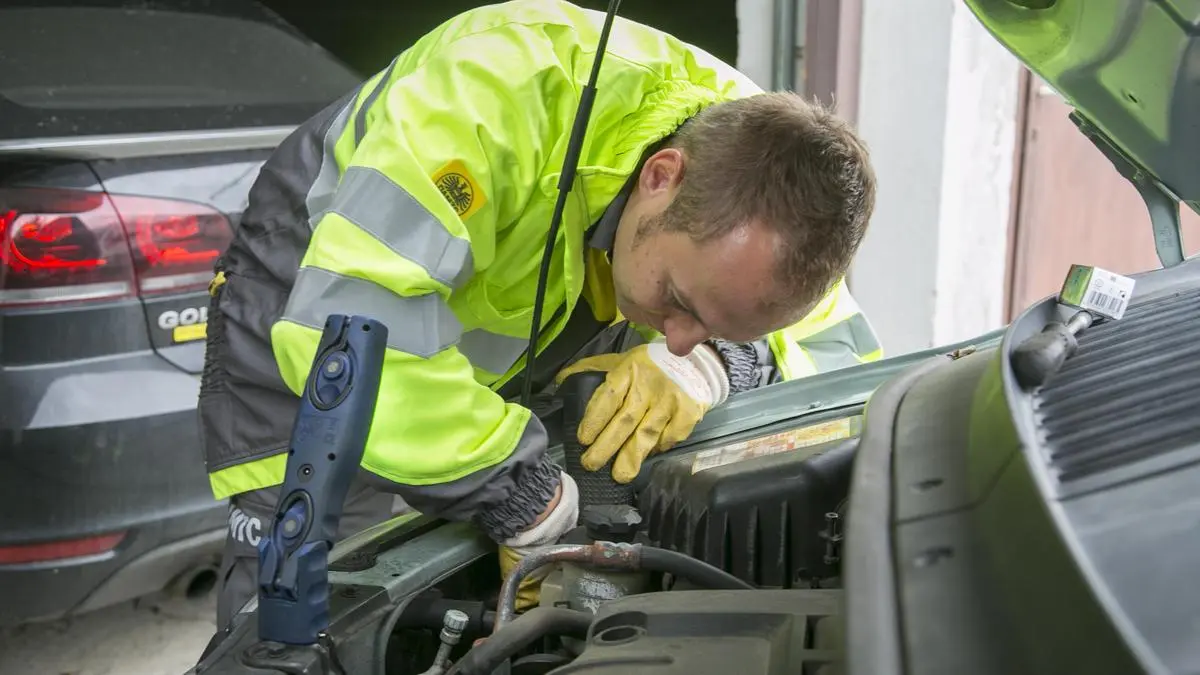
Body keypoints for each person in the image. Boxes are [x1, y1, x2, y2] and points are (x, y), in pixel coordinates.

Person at [199, 0, 881, 628]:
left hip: (516, 330)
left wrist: (716, 362)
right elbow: (350, 329)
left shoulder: (775, 176)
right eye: (679, 305)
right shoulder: (489, 96)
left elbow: (839, 360)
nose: (673, 339)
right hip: (311, 297)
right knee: (305, 603)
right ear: (661, 177)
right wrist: (522, 497)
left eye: (715, 325)